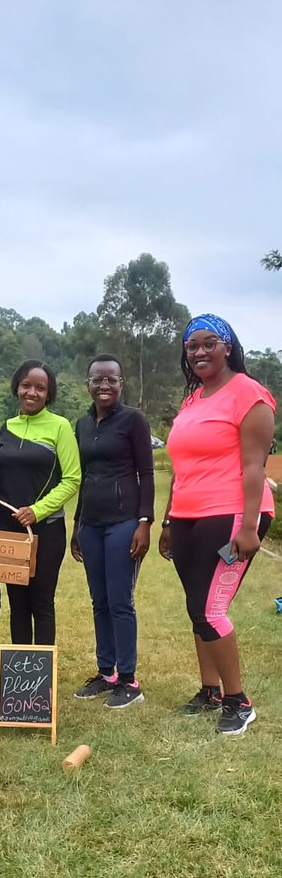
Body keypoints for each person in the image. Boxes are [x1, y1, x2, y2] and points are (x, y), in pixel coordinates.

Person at [159, 313, 275, 735]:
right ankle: (209, 691)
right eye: (192, 346)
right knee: (196, 606)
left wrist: (247, 527)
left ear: (228, 347)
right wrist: (170, 519)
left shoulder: (249, 394)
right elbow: (180, 467)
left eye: (210, 343)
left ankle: (238, 701)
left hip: (232, 514)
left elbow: (254, 466)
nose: (200, 352)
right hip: (189, 515)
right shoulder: (194, 399)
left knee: (211, 609)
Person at [71, 354, 154, 708]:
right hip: (91, 523)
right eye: (97, 379)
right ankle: (106, 673)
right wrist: (76, 525)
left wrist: (144, 522)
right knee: (99, 601)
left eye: (111, 379)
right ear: (87, 383)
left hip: (123, 524)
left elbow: (147, 474)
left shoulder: (134, 421)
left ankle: (129, 681)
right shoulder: (82, 424)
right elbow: (83, 477)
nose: (104, 385)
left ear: (121, 383)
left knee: (120, 601)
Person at [0, 360, 81, 644]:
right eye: (26, 385)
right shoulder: (6, 428)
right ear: (16, 387)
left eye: (40, 388)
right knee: (17, 603)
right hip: (10, 531)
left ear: (49, 393)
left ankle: (41, 684)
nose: (32, 392)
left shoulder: (60, 426)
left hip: (47, 530)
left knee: (42, 603)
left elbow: (72, 479)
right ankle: (20, 680)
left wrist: (37, 511)